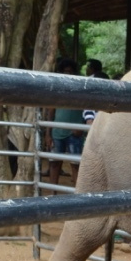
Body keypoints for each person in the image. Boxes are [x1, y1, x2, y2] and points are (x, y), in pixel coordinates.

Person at [45, 58, 86, 189]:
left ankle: (78, 194)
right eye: (65, 71)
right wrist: (48, 134)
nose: (68, 74)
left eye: (70, 72)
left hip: (75, 132)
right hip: (57, 132)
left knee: (76, 164)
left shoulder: (80, 90)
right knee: (54, 163)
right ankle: (52, 195)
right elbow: (50, 113)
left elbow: (87, 110)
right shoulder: (56, 90)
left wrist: (82, 127)